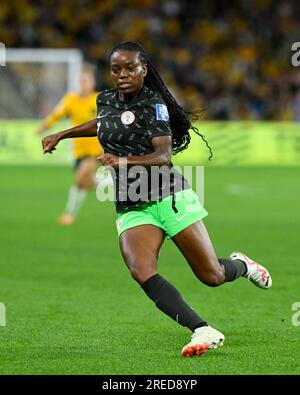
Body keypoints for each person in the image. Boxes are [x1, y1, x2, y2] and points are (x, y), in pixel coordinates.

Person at [41, 41, 272, 358]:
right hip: (131, 201)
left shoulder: (154, 103)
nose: (122, 74)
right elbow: (103, 123)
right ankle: (201, 329)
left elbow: (162, 155)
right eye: (116, 69)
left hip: (168, 195)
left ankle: (242, 266)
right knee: (140, 269)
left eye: (130, 68)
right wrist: (62, 134)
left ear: (143, 69)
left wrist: (122, 162)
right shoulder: (105, 99)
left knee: (211, 276)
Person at [36, 63, 108, 225]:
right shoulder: (71, 100)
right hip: (78, 151)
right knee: (83, 183)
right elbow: (56, 116)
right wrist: (42, 128)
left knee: (81, 179)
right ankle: (111, 184)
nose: (84, 83)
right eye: (81, 80)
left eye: (87, 80)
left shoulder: (99, 99)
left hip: (96, 150)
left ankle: (68, 214)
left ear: (93, 82)